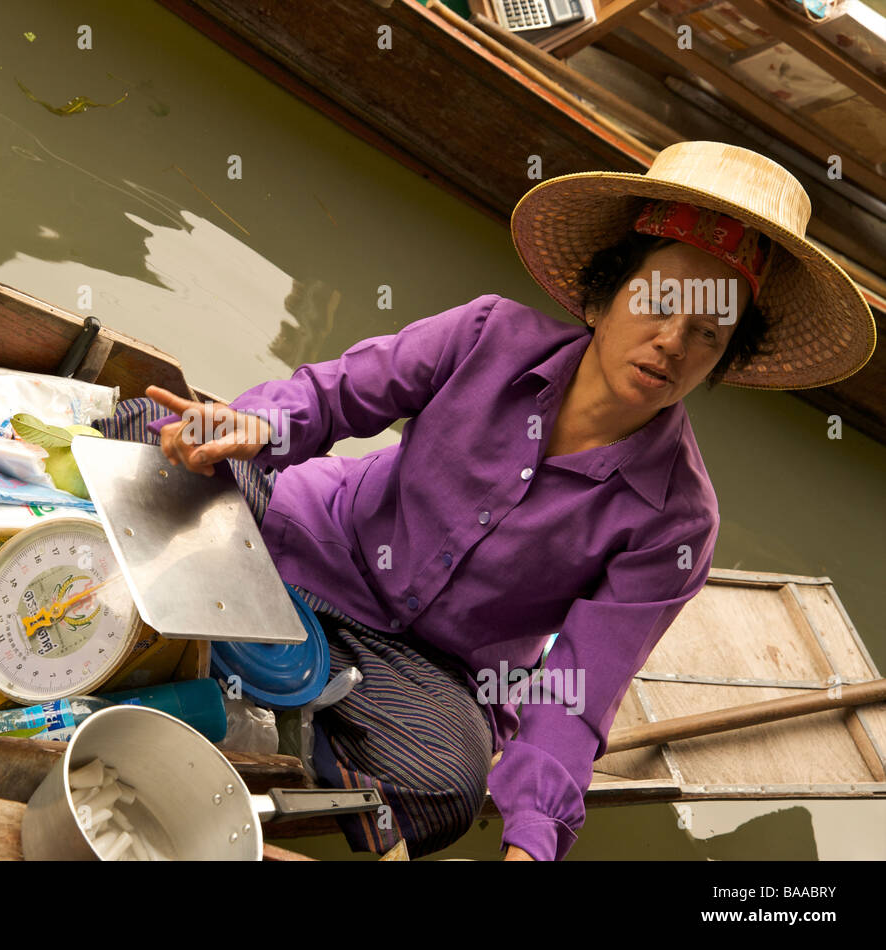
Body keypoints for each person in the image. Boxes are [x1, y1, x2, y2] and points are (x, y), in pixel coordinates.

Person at [104, 140, 876, 861]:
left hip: (429, 666)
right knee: (147, 435)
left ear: (722, 360)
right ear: (606, 295)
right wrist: (249, 426)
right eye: (657, 302)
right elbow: (329, 401)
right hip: (312, 542)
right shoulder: (486, 333)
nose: (672, 341)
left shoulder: (678, 520)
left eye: (707, 332)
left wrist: (530, 839)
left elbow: (577, 695)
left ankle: (241, 673)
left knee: (446, 784)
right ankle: (281, 694)